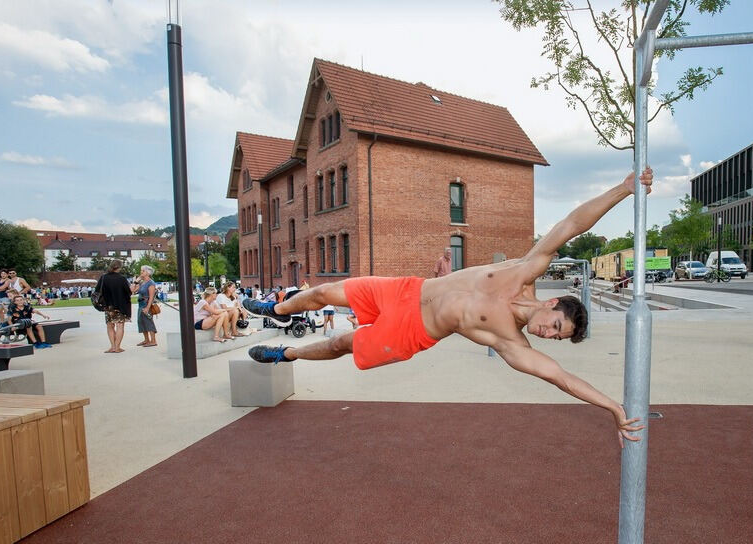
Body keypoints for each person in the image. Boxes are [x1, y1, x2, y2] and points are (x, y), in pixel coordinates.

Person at [243, 168, 654, 446]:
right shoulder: (525, 269)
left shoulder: (511, 343)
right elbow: (571, 224)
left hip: (412, 331)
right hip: (406, 290)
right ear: (551, 303)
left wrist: (614, 408)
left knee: (340, 345)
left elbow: (561, 379)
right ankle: (275, 310)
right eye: (556, 325)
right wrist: (624, 188)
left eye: (556, 337)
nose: (549, 334)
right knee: (322, 293)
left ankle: (286, 353)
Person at [98, 260, 133, 353]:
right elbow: (128, 292)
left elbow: (97, 291)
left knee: (110, 326)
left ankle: (112, 346)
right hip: (120, 306)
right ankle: (117, 347)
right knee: (120, 326)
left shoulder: (103, 277)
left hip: (108, 306)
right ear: (119, 267)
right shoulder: (122, 278)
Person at [131, 265, 158, 348]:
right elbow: (132, 291)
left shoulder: (151, 283)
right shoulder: (142, 282)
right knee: (141, 322)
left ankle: (153, 341)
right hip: (140, 304)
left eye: (142, 271)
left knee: (148, 321)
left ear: (147, 273)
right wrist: (135, 282)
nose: (141, 272)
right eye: (141, 271)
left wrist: (147, 307)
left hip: (146, 304)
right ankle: (146, 340)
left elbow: (151, 296)